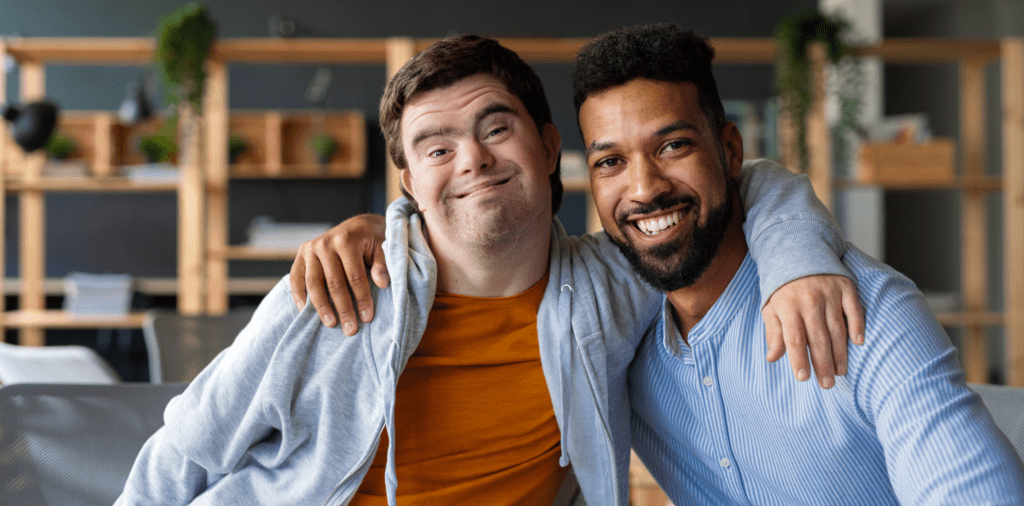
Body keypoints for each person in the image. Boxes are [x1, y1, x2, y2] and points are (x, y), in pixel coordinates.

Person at [118, 34, 859, 506]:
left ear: (545, 145)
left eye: (494, 128)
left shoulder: (616, 285)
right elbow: (185, 452)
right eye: (436, 147)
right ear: (409, 181)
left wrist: (796, 266)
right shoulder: (336, 291)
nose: (470, 159)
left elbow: (745, 179)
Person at [294, 25, 1024, 505]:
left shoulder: (863, 312)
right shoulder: (618, 323)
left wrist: (799, 256)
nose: (642, 189)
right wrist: (385, 228)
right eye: (611, 162)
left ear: (729, 151)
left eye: (673, 146)